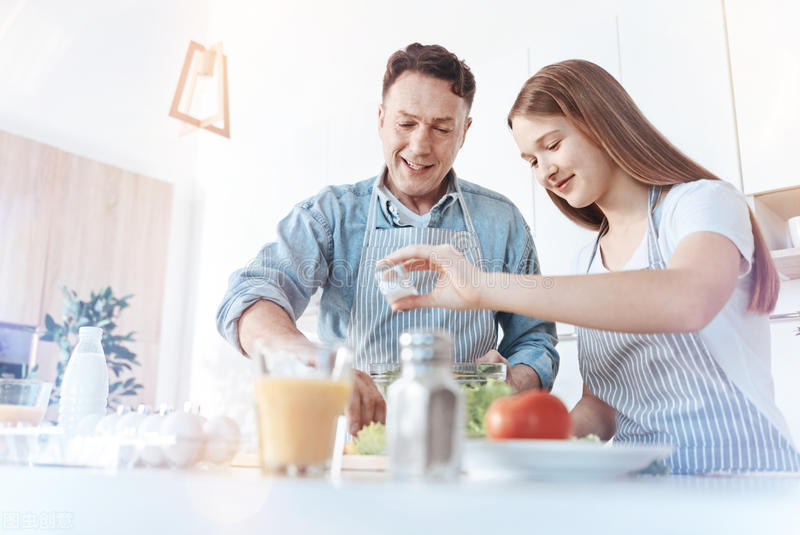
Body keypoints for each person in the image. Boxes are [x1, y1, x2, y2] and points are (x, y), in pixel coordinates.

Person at [381, 59, 800, 474]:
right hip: (645, 493)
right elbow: (601, 410)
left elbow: (685, 299)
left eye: (553, 144)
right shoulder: (586, 264)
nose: (545, 171)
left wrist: (482, 287)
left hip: (750, 481)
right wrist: (512, 440)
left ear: (603, 123)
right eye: (531, 160)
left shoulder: (701, 204)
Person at [216, 43, 558, 436]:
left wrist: (512, 383)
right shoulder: (332, 216)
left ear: (464, 132)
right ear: (381, 120)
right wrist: (317, 361)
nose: (420, 146)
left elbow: (534, 338)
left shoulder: (502, 222)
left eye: (442, 128)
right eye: (406, 124)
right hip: (355, 445)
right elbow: (250, 295)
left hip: (469, 444)